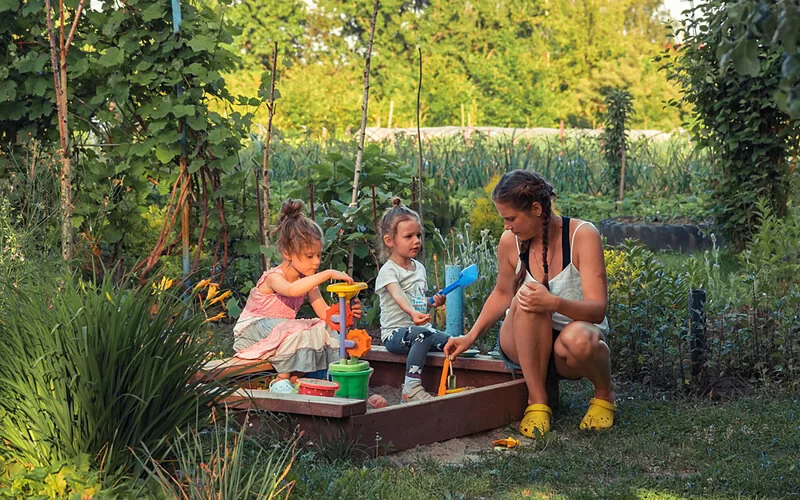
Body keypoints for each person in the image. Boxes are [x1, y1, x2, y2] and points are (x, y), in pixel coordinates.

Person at [444, 170, 616, 437]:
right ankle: (537, 403)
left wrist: (553, 303)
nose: (506, 226)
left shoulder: (582, 235)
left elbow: (597, 309)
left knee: (579, 338)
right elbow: (502, 294)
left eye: (511, 218)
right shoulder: (509, 241)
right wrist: (471, 335)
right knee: (527, 297)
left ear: (536, 209)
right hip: (524, 340)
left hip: (570, 347)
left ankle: (604, 394)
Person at [232, 199, 361, 387]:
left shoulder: (306, 281)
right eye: (310, 256)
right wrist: (327, 273)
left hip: (283, 332)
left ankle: (324, 377)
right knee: (294, 327)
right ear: (287, 252)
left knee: (321, 327)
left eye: (319, 255)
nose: (316, 262)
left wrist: (346, 314)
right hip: (252, 333)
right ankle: (281, 382)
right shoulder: (274, 277)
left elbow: (325, 314)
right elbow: (291, 291)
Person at [375, 199, 447, 403]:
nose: (416, 241)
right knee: (424, 334)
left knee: (450, 342)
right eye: (408, 236)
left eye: (418, 235)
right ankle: (411, 388)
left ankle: (450, 380)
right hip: (395, 334)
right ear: (390, 241)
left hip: (419, 332)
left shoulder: (419, 268)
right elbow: (398, 295)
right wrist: (412, 313)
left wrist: (432, 301)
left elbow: (416, 300)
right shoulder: (388, 271)